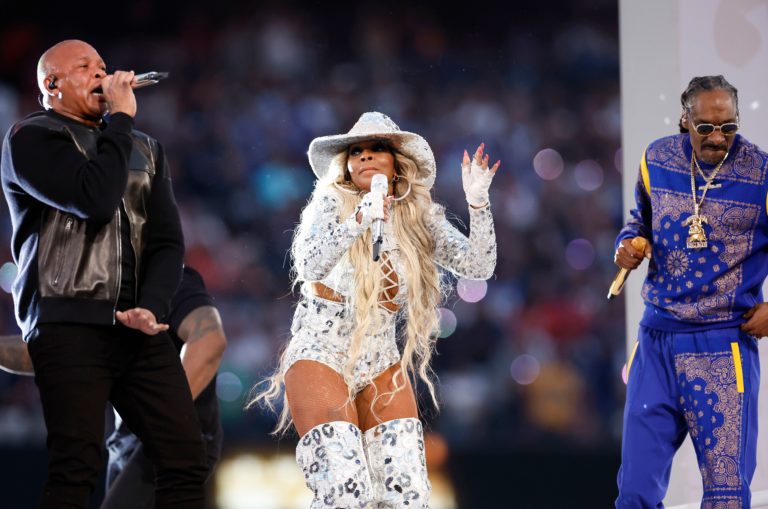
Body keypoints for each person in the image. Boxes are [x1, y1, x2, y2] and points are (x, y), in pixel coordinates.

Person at [250, 111, 498, 508]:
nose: (365, 156)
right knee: (347, 496)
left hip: (380, 357)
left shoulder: (419, 217)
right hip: (322, 352)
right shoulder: (329, 203)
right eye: (357, 151)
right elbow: (310, 264)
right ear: (346, 166)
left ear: (397, 163)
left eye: (377, 149)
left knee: (407, 496)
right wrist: (362, 216)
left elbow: (479, 266)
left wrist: (479, 203)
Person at [0, 39, 208, 508]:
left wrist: (152, 307)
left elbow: (167, 242)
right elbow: (92, 199)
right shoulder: (30, 138)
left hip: (136, 327)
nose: (101, 73)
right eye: (84, 68)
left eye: (102, 65)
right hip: (66, 322)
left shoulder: (145, 149)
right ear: (51, 85)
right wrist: (121, 120)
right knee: (77, 466)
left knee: (185, 458)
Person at [613, 75, 768, 508]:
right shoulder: (656, 158)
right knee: (635, 492)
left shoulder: (762, 174)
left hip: (722, 342)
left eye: (729, 127)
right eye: (706, 128)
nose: (719, 138)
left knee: (725, 493)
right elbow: (637, 221)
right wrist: (628, 246)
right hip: (656, 342)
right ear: (685, 120)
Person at [0, 265, 226, 507]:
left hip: (171, 441)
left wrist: (163, 418)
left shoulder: (167, 279)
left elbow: (210, 341)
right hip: (130, 441)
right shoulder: (93, 292)